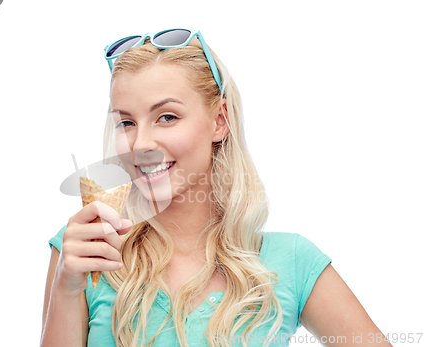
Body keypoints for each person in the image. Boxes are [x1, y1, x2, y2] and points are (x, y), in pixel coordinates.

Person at [40, 29, 392, 347]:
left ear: (219, 122)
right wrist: (67, 287)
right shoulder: (85, 252)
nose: (140, 143)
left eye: (167, 117)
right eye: (126, 122)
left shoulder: (293, 262)